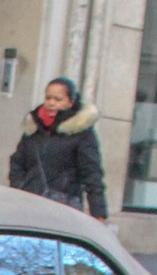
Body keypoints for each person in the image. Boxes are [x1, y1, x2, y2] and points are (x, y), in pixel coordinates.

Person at [8, 76, 108, 220]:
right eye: (48, 98)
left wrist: (98, 213)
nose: (51, 103)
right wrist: (19, 187)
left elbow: (92, 173)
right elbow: (17, 162)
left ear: (70, 102)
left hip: (63, 208)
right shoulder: (33, 130)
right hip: (28, 205)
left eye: (58, 99)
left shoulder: (81, 133)